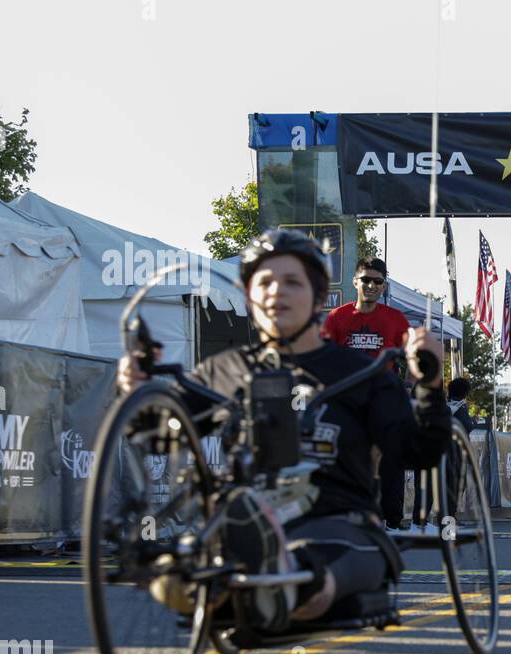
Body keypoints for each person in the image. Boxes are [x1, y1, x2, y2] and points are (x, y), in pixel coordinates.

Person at [118, 229, 450, 631]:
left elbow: (417, 452)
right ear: (250, 297)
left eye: (292, 281)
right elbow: (158, 438)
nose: (277, 291)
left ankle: (274, 581)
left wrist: (430, 387)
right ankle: (255, 573)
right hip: (248, 517)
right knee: (170, 579)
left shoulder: (362, 373)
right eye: (265, 282)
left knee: (312, 585)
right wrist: (135, 393)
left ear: (318, 296)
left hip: (339, 523)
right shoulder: (226, 371)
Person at [321, 258, 413, 532]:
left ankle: (382, 518)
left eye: (377, 281)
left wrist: (407, 386)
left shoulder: (395, 319)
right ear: (355, 282)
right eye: (366, 280)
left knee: (382, 457)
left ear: (384, 286)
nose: (371, 286)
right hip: (347, 399)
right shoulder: (337, 317)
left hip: (383, 398)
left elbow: (413, 357)